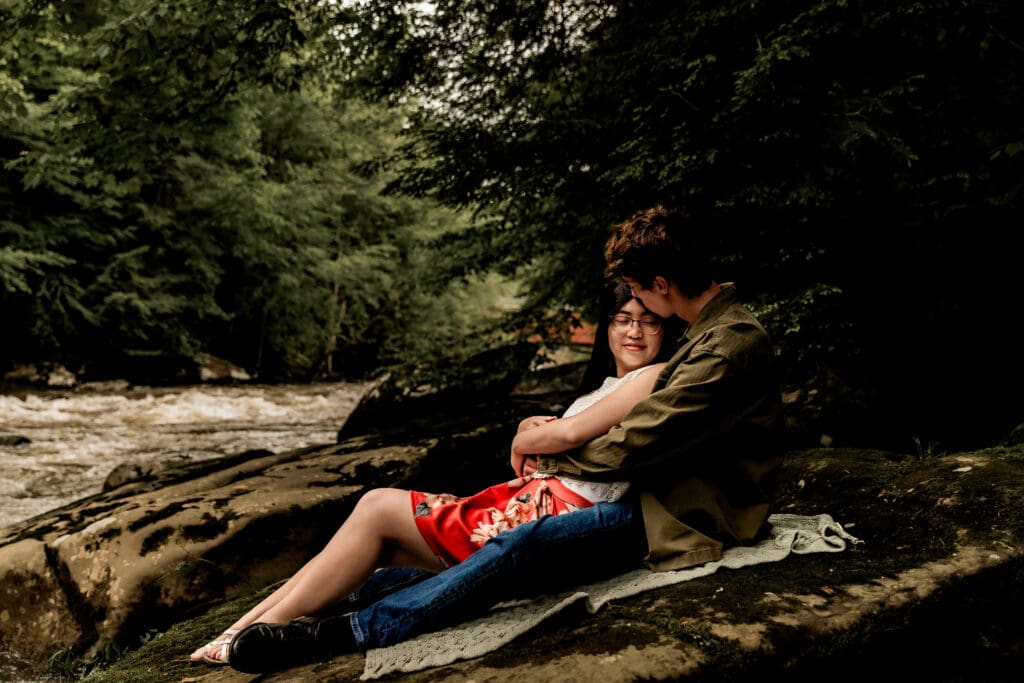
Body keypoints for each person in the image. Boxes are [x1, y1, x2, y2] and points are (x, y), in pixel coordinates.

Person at [220, 204, 784, 674]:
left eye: (641, 293)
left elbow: (637, 442)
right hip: (657, 489)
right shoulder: (707, 333)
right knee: (408, 556)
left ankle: (347, 633)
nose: (638, 313)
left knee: (526, 544)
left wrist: (549, 450)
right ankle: (331, 599)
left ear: (662, 285)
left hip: (682, 511)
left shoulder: (726, 345)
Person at [190, 282, 678, 669]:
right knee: (368, 544)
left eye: (648, 322)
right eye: (623, 320)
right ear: (607, 328)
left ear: (664, 329)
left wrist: (527, 439)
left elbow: (571, 435)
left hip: (552, 515)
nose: (635, 332)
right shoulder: (608, 384)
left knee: (378, 507)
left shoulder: (652, 377)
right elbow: (566, 434)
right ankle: (242, 627)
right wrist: (536, 432)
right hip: (525, 500)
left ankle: (261, 630)